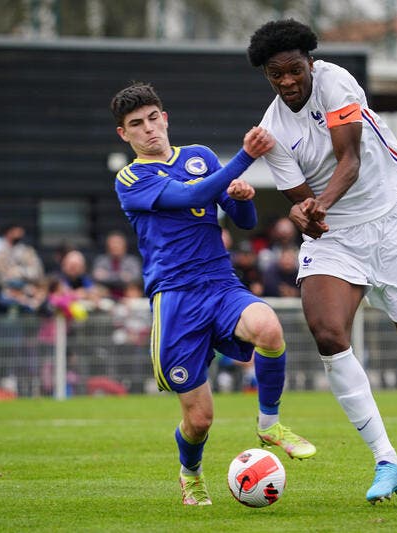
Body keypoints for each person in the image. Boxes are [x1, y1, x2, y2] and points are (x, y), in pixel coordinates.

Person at [247, 19, 397, 504]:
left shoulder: (336, 81)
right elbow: (303, 205)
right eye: (274, 75)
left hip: (386, 225)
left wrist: (317, 203)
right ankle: (387, 461)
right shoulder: (272, 129)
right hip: (337, 239)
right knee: (327, 333)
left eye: (293, 70)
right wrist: (304, 212)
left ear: (309, 63)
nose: (286, 82)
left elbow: (351, 160)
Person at [110, 82, 316, 506]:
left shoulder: (200, 156)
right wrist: (244, 159)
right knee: (200, 420)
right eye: (136, 125)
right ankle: (191, 473)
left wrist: (241, 197)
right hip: (176, 298)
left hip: (220, 284)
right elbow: (193, 195)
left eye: (153, 118)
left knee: (268, 327)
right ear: (124, 135)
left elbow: (243, 218)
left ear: (164, 118)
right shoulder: (131, 177)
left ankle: (270, 423)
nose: (148, 129)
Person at [91, 230, 142, 300]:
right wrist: (121, 276)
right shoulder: (101, 261)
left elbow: (135, 278)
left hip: (126, 292)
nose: (115, 246)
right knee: (95, 290)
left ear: (124, 246)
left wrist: (107, 275)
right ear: (107, 246)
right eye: (112, 243)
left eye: (118, 243)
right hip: (106, 292)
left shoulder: (132, 261)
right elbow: (97, 277)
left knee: (133, 290)